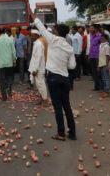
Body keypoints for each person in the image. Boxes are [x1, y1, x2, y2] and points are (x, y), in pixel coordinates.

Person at [31, 13, 77, 141]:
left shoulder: (52, 39)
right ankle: (72, 133)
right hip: (65, 79)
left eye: (55, 30)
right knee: (67, 106)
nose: (53, 31)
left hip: (53, 78)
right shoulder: (69, 47)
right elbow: (72, 66)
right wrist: (63, 64)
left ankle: (61, 133)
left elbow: (40, 27)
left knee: (57, 108)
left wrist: (32, 15)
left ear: (57, 32)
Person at [0, 28, 16, 101]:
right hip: (9, 63)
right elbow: (13, 52)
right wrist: (14, 60)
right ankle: (9, 93)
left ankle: (4, 97)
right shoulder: (10, 40)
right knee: (9, 78)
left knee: (2, 81)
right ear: (5, 32)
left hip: (1, 64)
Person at [28, 29, 48, 106]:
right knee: (39, 84)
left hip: (39, 68)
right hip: (37, 67)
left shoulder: (39, 44)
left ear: (37, 35)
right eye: (31, 36)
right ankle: (42, 98)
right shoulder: (37, 42)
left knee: (41, 84)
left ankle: (45, 100)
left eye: (32, 36)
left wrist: (35, 69)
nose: (31, 37)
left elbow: (38, 57)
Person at [89, 25, 102, 91]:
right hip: (92, 56)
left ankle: (101, 87)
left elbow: (102, 46)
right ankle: (96, 86)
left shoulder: (100, 36)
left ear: (96, 29)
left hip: (98, 56)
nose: (90, 29)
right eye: (90, 28)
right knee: (93, 72)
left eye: (91, 28)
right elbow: (91, 46)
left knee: (98, 72)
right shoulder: (91, 36)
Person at [98, 34, 110, 98]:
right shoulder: (101, 45)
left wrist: (107, 65)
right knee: (103, 78)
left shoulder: (106, 46)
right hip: (101, 63)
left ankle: (107, 91)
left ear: (106, 39)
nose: (101, 39)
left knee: (106, 78)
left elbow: (107, 56)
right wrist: (98, 65)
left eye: (102, 38)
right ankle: (105, 90)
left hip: (104, 64)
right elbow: (99, 56)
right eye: (101, 38)